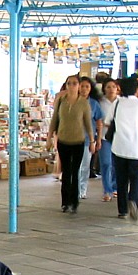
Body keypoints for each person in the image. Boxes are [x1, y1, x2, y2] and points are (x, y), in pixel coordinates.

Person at [47, 75, 94, 214]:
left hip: (78, 141)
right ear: (66, 85)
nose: (72, 86)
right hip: (63, 140)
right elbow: (54, 120)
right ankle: (65, 202)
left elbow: (88, 123)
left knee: (75, 171)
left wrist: (92, 141)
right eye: (69, 83)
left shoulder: (83, 103)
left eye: (74, 83)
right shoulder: (61, 101)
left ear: (78, 86)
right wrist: (49, 138)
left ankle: (74, 201)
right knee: (66, 172)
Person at [111, 76, 138, 220]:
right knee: (136, 179)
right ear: (137, 89)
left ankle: (122, 210)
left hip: (119, 148)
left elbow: (107, 122)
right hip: (137, 149)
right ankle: (133, 200)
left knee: (121, 180)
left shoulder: (117, 103)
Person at [78, 76, 104, 200]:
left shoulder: (94, 104)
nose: (84, 89)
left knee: (84, 166)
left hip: (88, 140)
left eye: (87, 87)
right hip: (72, 139)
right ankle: (74, 189)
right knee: (75, 167)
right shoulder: (72, 101)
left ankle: (82, 189)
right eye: (82, 86)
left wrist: (98, 140)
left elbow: (99, 122)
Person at [97, 78, 119, 202]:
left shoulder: (121, 102)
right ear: (104, 89)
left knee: (116, 163)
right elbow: (98, 119)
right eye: (108, 87)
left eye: (113, 87)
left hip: (119, 136)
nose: (111, 89)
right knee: (106, 163)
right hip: (104, 136)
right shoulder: (100, 102)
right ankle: (107, 189)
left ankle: (115, 186)